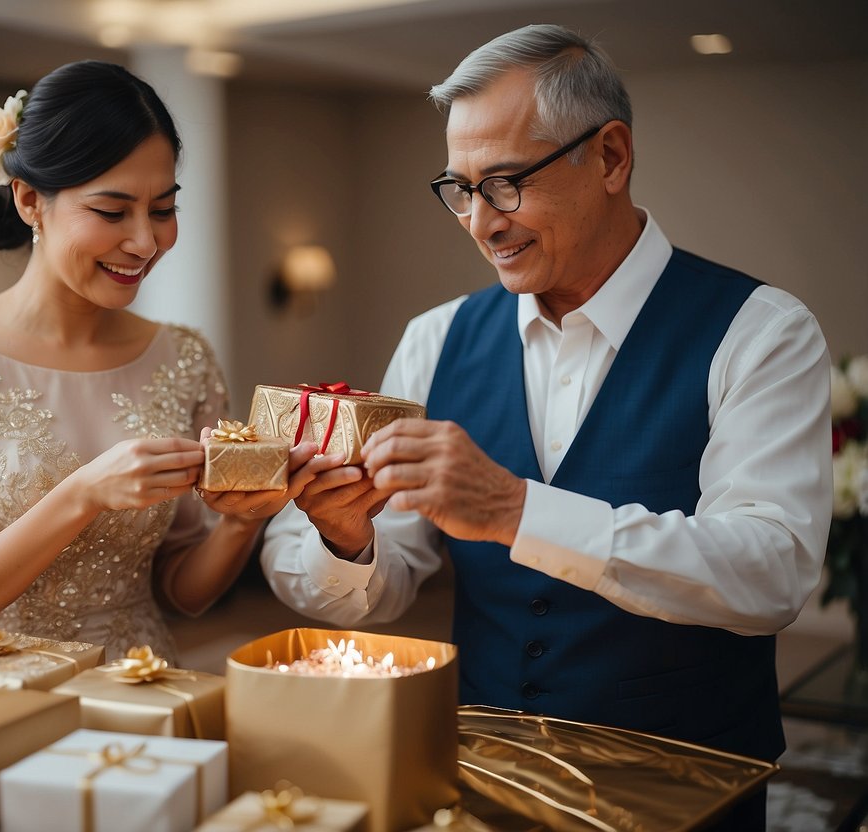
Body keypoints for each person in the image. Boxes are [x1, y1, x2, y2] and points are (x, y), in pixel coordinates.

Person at [261, 24, 831, 829]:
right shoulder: (434, 339)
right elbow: (377, 590)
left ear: (609, 157)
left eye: (505, 183)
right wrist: (346, 540)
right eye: (459, 188)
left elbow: (771, 574)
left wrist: (514, 511)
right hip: (477, 777)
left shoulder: (761, 331)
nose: (479, 222)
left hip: (690, 787)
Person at [0, 60, 316, 662]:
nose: (144, 241)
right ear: (30, 199)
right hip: (0, 697)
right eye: (112, 212)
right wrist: (83, 492)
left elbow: (181, 592)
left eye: (162, 210)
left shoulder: (185, 357)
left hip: (143, 691)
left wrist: (243, 522)